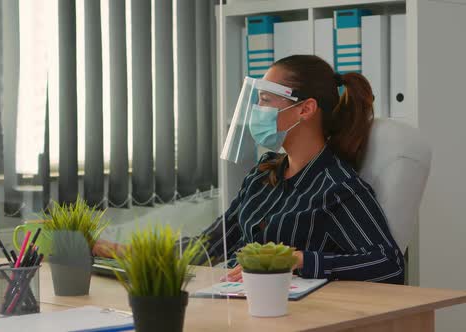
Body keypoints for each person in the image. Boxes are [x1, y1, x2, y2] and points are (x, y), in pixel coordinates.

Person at [94, 54, 405, 285]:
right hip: (237, 304)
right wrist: (124, 251)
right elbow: (208, 246)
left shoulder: (337, 186)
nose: (258, 111)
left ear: (306, 109)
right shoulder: (262, 176)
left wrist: (297, 260)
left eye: (266, 100)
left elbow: (389, 264)